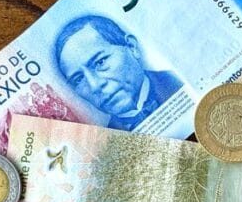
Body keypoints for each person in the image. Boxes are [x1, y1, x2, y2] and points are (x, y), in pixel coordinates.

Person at [54, 15, 183, 131]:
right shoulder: (108, 145)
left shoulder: (181, 83)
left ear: (132, 47)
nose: (95, 85)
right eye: (78, 79)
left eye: (100, 62)